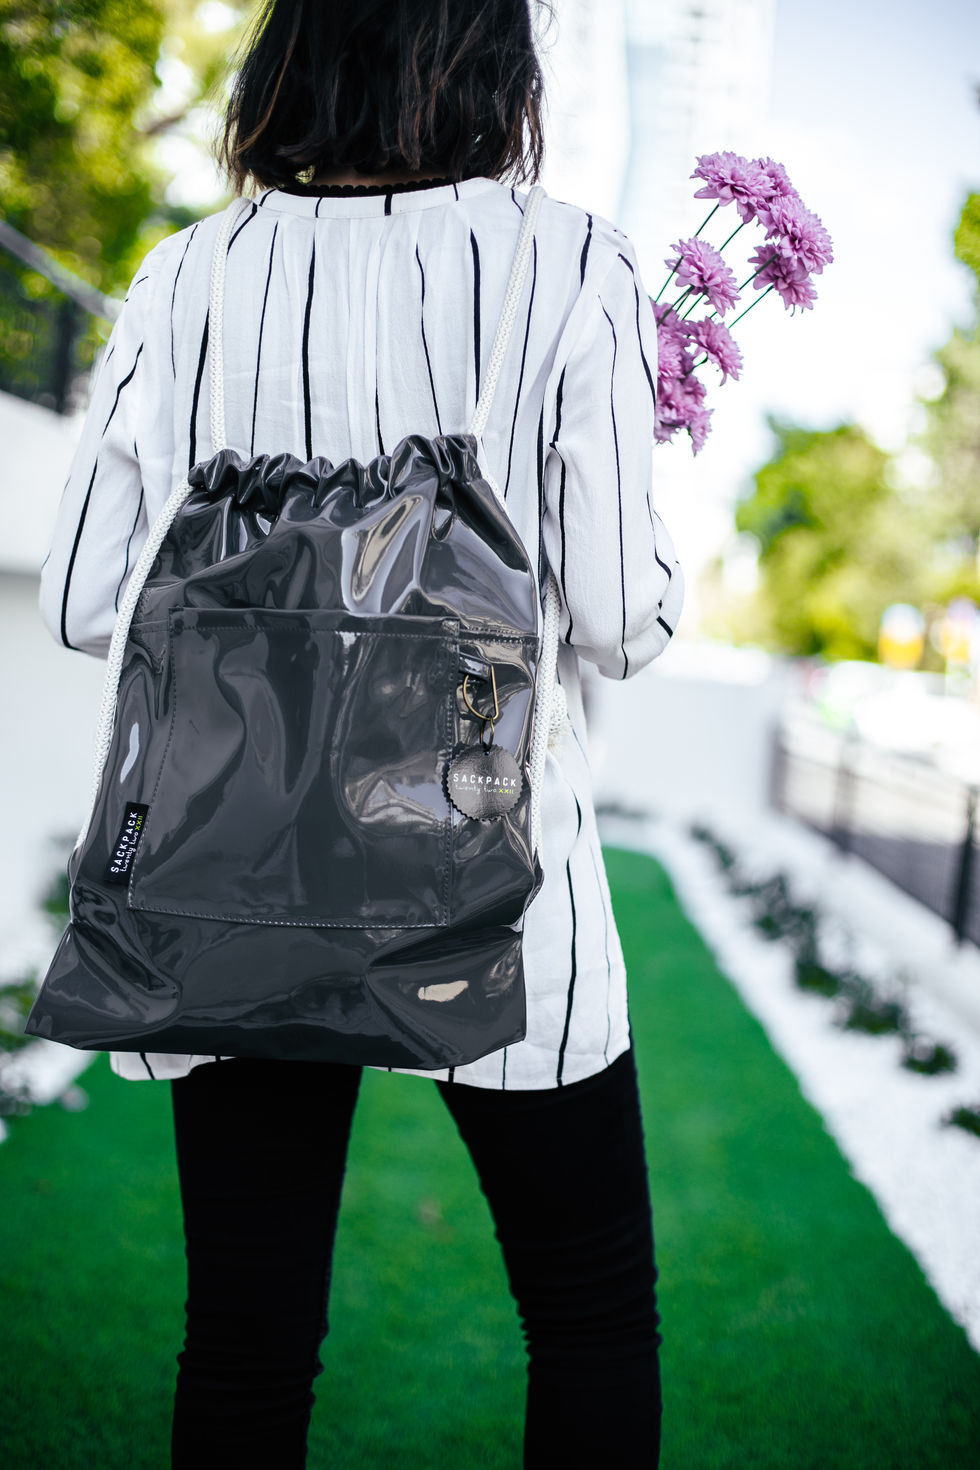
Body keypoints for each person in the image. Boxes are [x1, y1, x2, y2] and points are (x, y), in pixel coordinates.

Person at [38, 1, 684, 1465]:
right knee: (588, 1316)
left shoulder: (187, 273)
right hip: (506, 897)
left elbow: (84, 599)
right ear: (492, 57)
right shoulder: (573, 260)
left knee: (246, 1343)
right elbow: (621, 621)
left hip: (232, 888)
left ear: (295, 54)